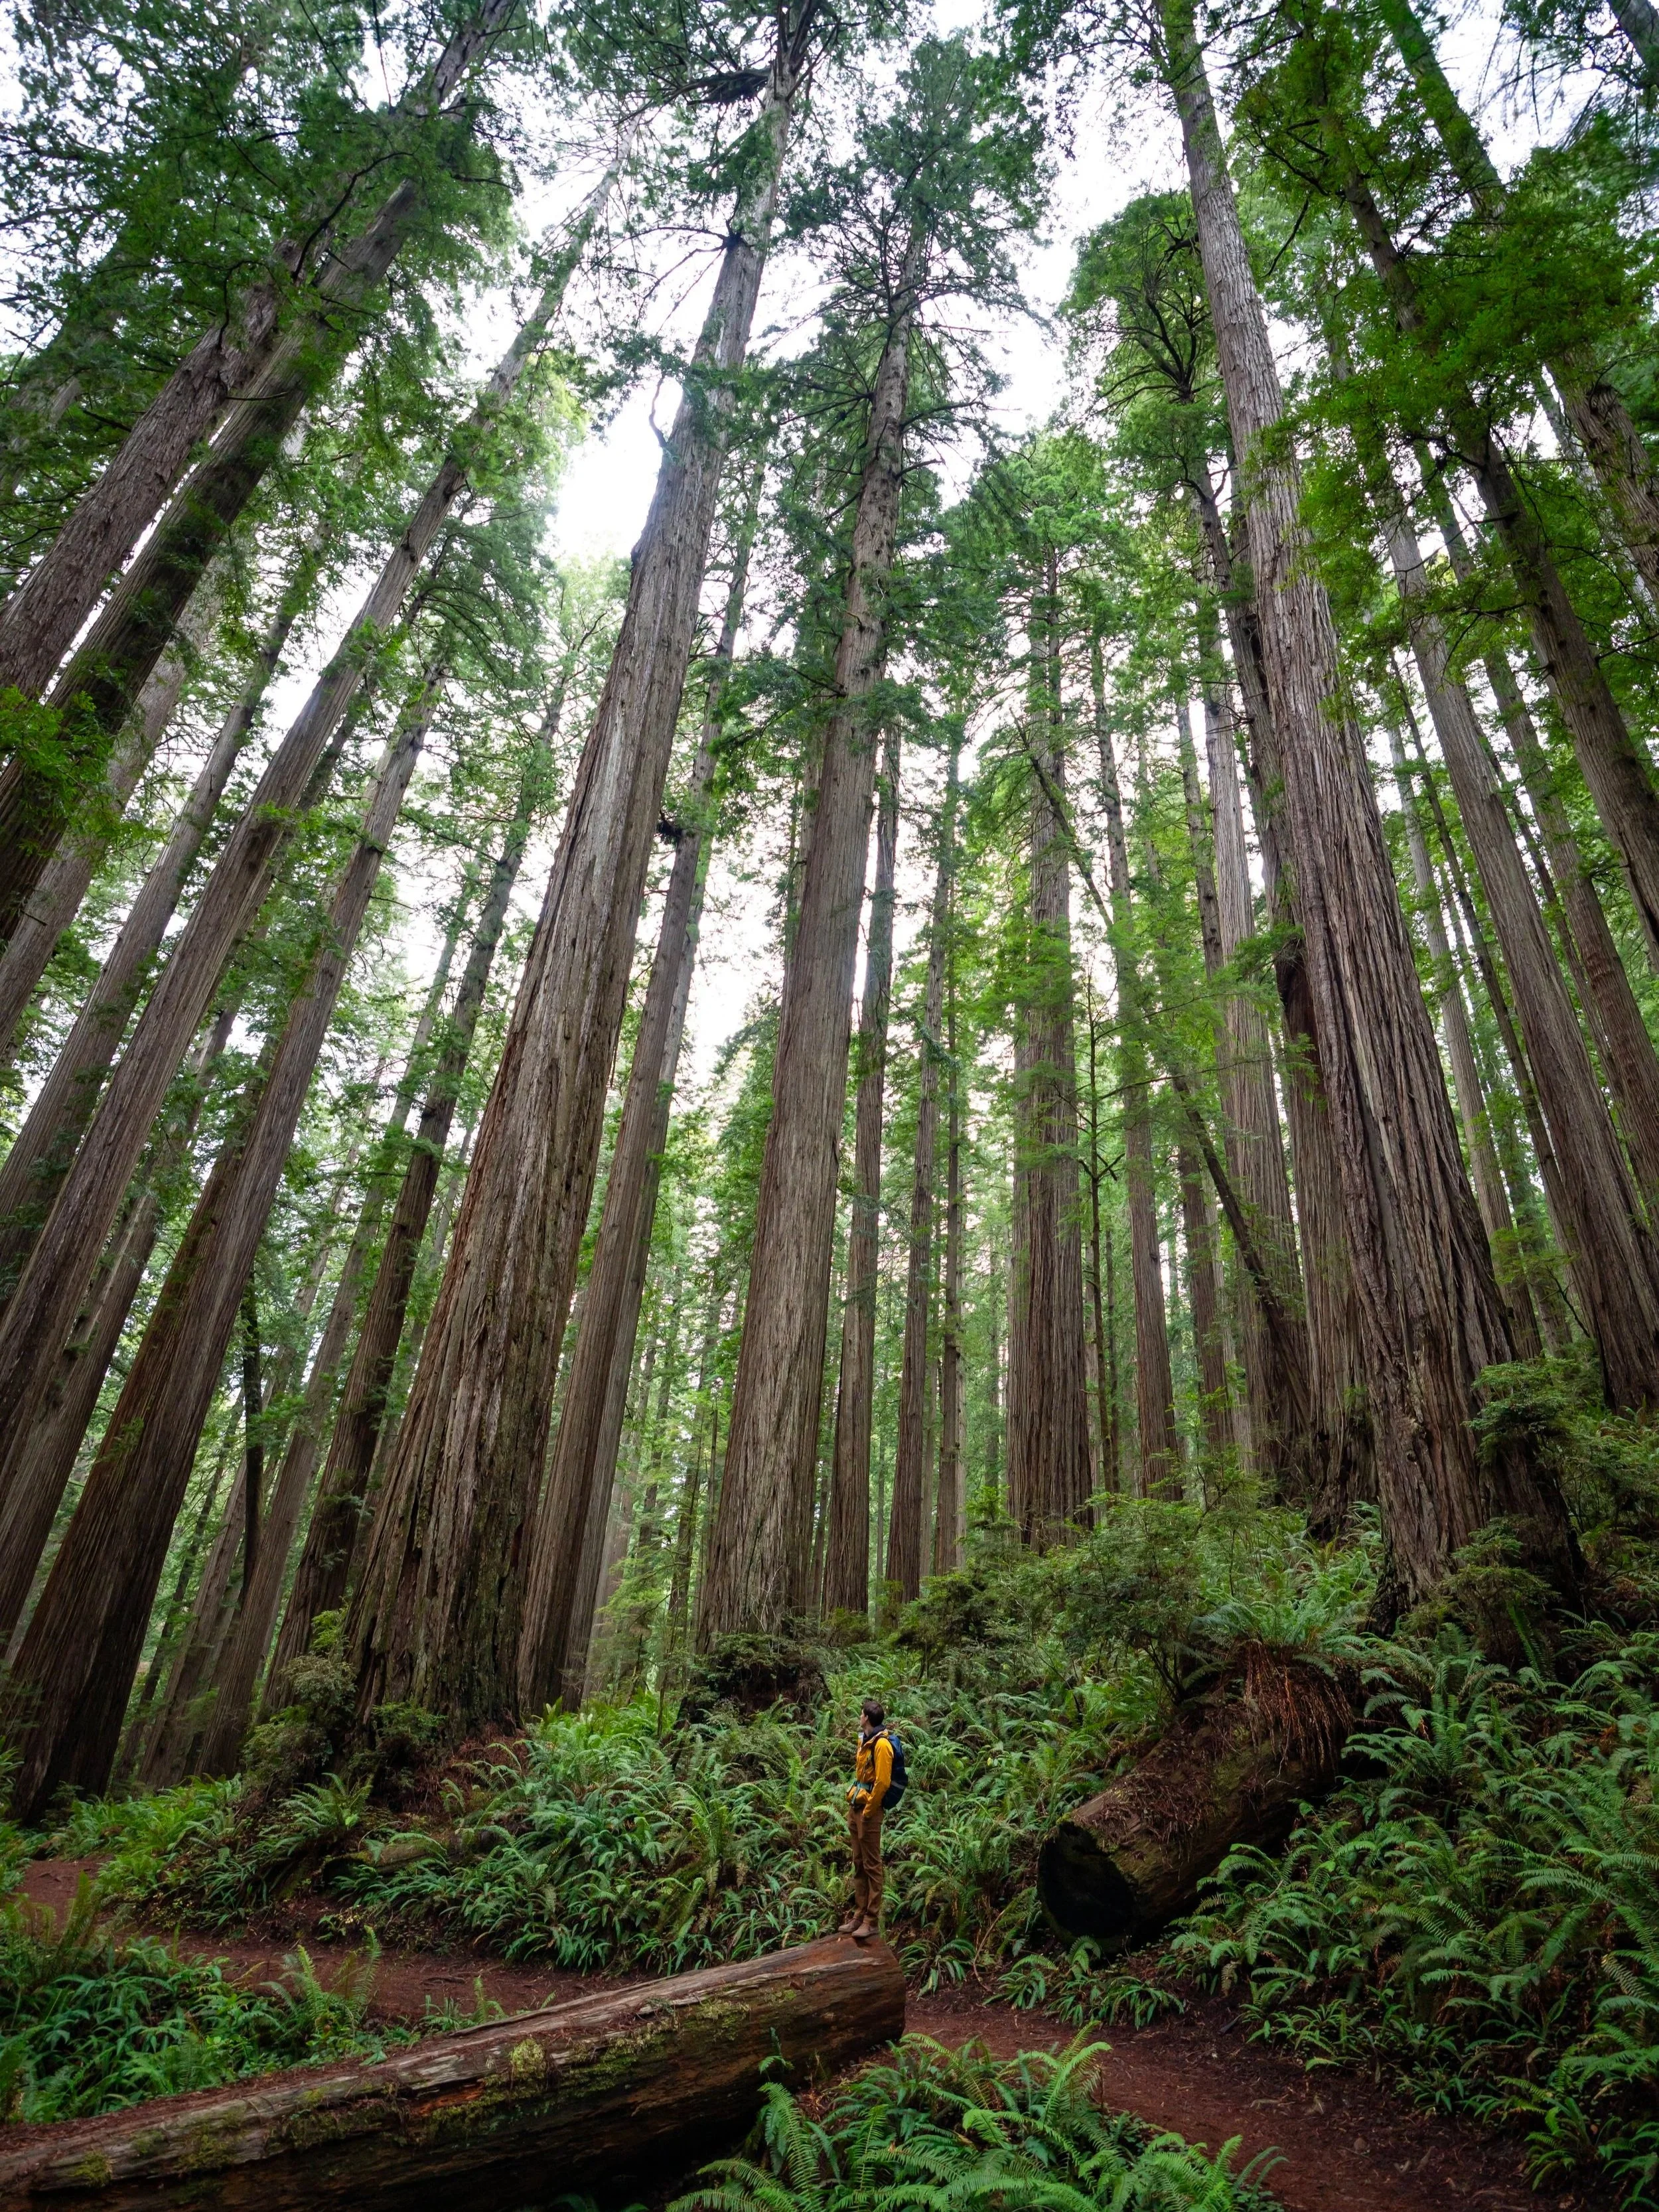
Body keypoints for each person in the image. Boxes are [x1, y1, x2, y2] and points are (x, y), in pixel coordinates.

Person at [841, 1698, 892, 1941]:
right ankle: (859, 1915)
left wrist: (870, 1810)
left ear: (867, 1718)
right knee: (858, 1862)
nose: (859, 1716)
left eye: (861, 1714)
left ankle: (872, 1920)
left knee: (872, 1865)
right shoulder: (863, 1740)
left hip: (869, 1812)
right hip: (856, 1807)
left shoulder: (882, 1746)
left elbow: (882, 1783)